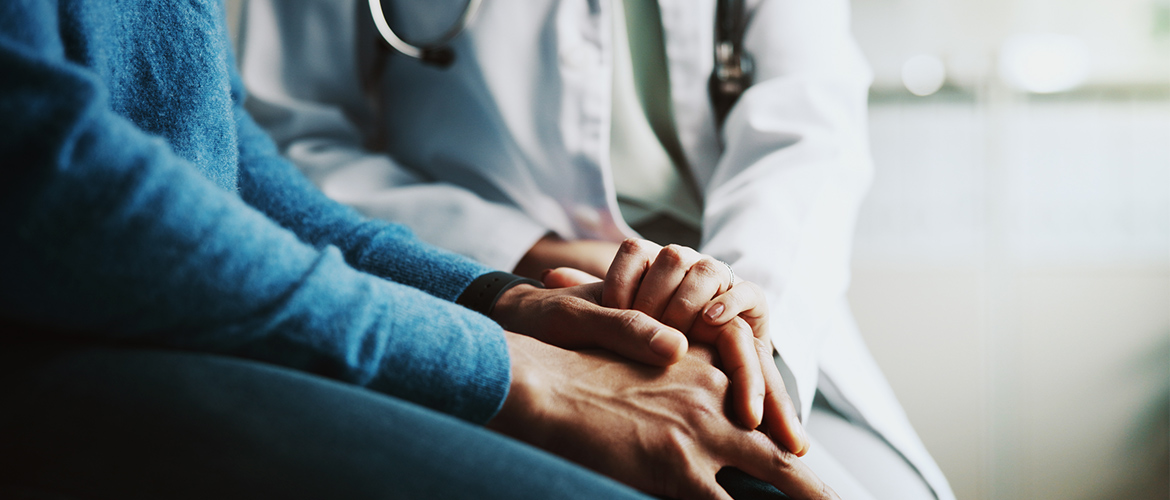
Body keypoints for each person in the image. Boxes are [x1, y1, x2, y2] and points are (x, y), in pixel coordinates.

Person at [0, 1, 832, 499]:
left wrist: (501, 302)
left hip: (203, 310)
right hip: (72, 348)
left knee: (747, 472)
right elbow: (48, 179)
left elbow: (222, 150)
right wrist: (517, 365)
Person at [239, 1, 957, 499]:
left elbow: (810, 124)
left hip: (745, 301)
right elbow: (291, 139)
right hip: (480, 294)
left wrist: (730, 306)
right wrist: (530, 256)